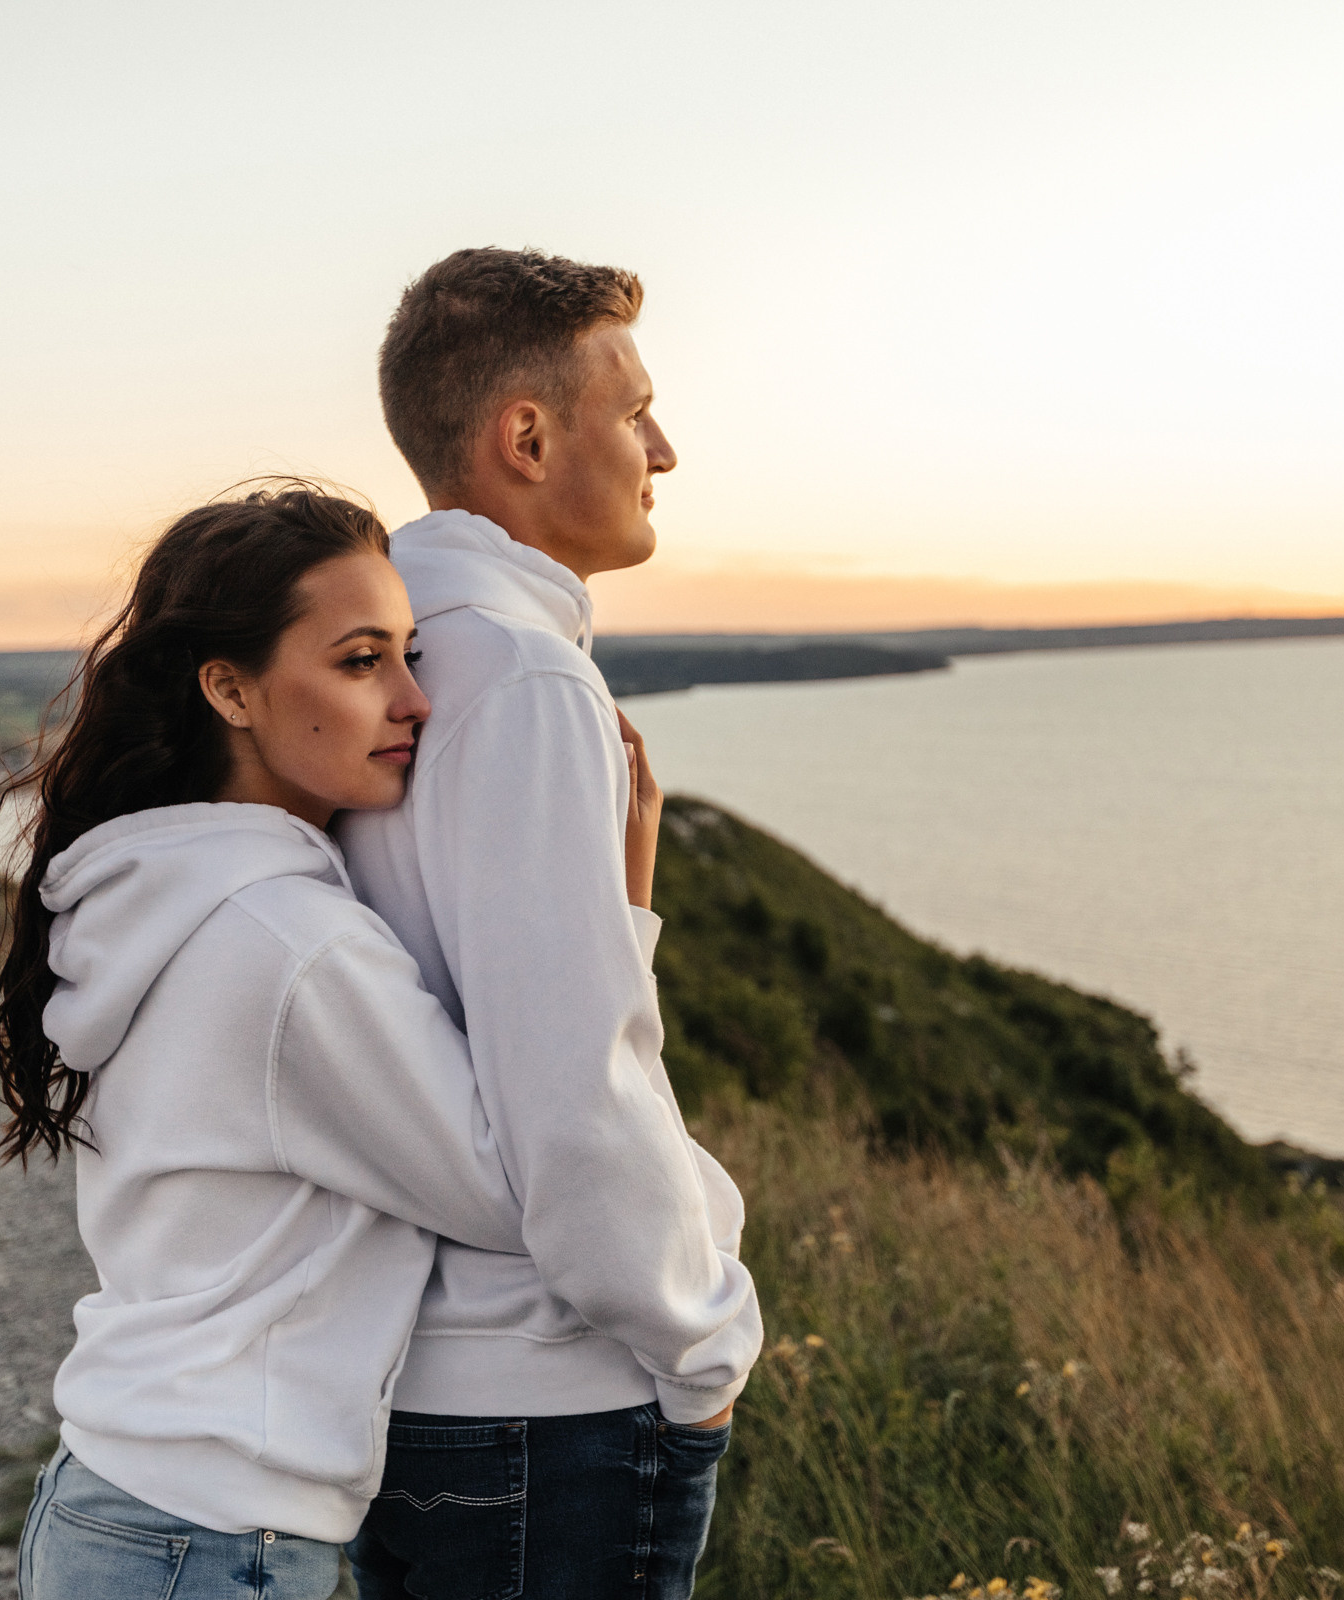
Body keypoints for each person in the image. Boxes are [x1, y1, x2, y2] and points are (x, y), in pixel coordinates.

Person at [0, 485, 671, 1599]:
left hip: (130, 1504)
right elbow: (526, 1184)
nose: (414, 701)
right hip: (204, 1538)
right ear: (230, 690)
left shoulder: (166, 893)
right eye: (360, 662)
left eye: (408, 655)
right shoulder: (290, 946)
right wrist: (615, 918)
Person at [340, 248, 762, 1600]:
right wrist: (699, 1347)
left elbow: (469, 1015)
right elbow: (572, 1093)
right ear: (526, 439)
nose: (665, 450)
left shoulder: (382, 664)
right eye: (634, 412)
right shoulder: (522, 679)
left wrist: (625, 912)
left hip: (414, 1378)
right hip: (547, 1402)